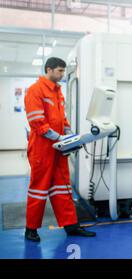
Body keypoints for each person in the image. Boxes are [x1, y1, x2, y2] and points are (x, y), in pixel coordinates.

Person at [24, 57, 96, 242]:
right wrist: (59, 138)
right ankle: (31, 229)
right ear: (49, 70)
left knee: (63, 189)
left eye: (64, 71)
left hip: (58, 149)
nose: (63, 74)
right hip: (42, 150)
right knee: (39, 190)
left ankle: (71, 226)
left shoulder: (58, 92)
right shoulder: (35, 90)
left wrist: (70, 134)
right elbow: (37, 122)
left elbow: (62, 119)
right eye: (60, 71)